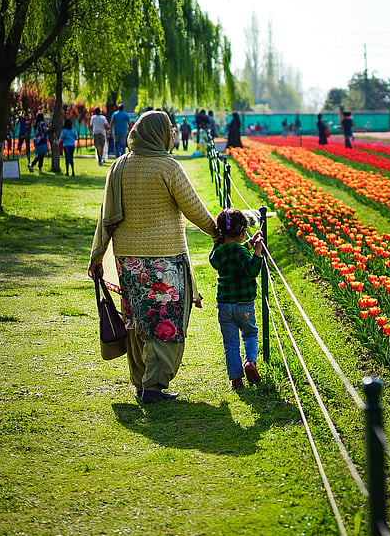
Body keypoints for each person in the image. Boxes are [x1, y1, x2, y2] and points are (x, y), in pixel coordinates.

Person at [88, 110, 219, 404]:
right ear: (159, 133)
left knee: (136, 319)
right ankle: (153, 386)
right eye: (170, 129)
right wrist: (218, 232)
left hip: (128, 259)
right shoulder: (167, 166)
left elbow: (105, 216)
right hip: (164, 259)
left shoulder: (119, 165)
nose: (173, 134)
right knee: (164, 321)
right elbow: (194, 208)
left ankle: (142, 381)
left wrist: (97, 256)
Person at [210, 208, 264, 390]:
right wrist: (257, 252)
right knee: (250, 334)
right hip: (245, 304)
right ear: (241, 231)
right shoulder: (242, 253)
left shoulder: (218, 251)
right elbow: (252, 271)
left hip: (224, 304)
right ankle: (250, 363)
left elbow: (216, 258)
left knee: (230, 342)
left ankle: (236, 380)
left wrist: (248, 243)